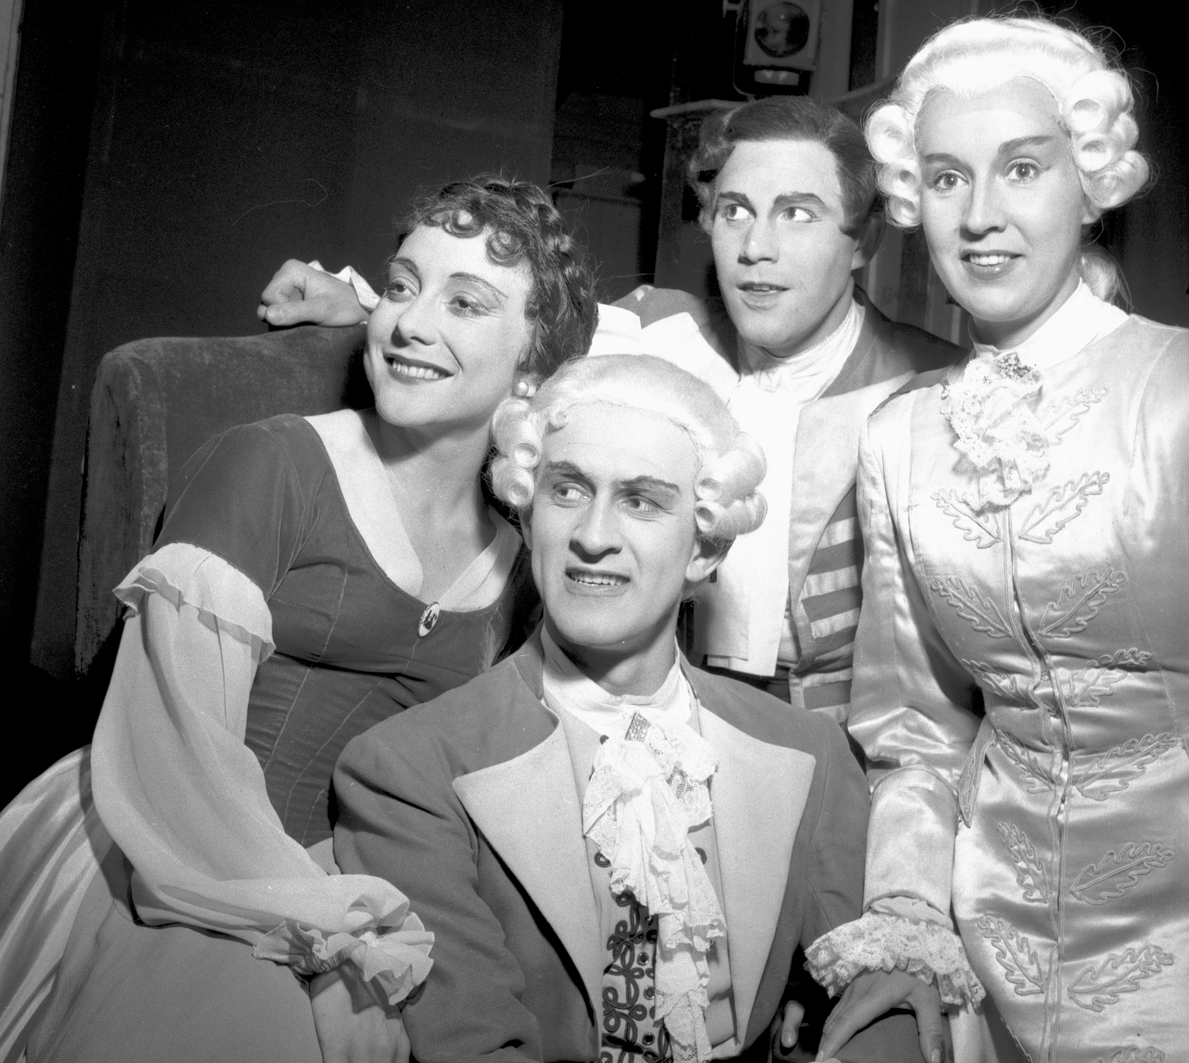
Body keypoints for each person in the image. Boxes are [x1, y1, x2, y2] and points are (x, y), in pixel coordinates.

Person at [15, 176, 598, 1063]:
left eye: (464, 303)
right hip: (179, 848)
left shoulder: (525, 556)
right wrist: (324, 928)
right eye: (399, 287)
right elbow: (175, 752)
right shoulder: (270, 464)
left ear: (533, 366)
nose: (409, 323)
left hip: (378, 883)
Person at [259, 97, 963, 723]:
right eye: (734, 211)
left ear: (864, 241)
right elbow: (504, 336)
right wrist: (359, 305)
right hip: (638, 707)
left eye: (798, 214)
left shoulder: (930, 390)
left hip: (843, 734)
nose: (756, 249)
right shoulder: (654, 332)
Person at [331, 353, 933, 1063]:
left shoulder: (811, 753)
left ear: (704, 548)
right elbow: (476, 1046)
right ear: (527, 514)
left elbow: (874, 1010)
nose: (593, 536)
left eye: (641, 501)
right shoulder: (404, 771)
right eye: (567, 490)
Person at [805, 16, 1187, 1063]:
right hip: (985, 942)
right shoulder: (898, 437)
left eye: (1021, 169)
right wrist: (906, 921)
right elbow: (914, 730)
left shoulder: (1175, 390)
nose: (979, 216)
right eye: (945, 178)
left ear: (1089, 183)